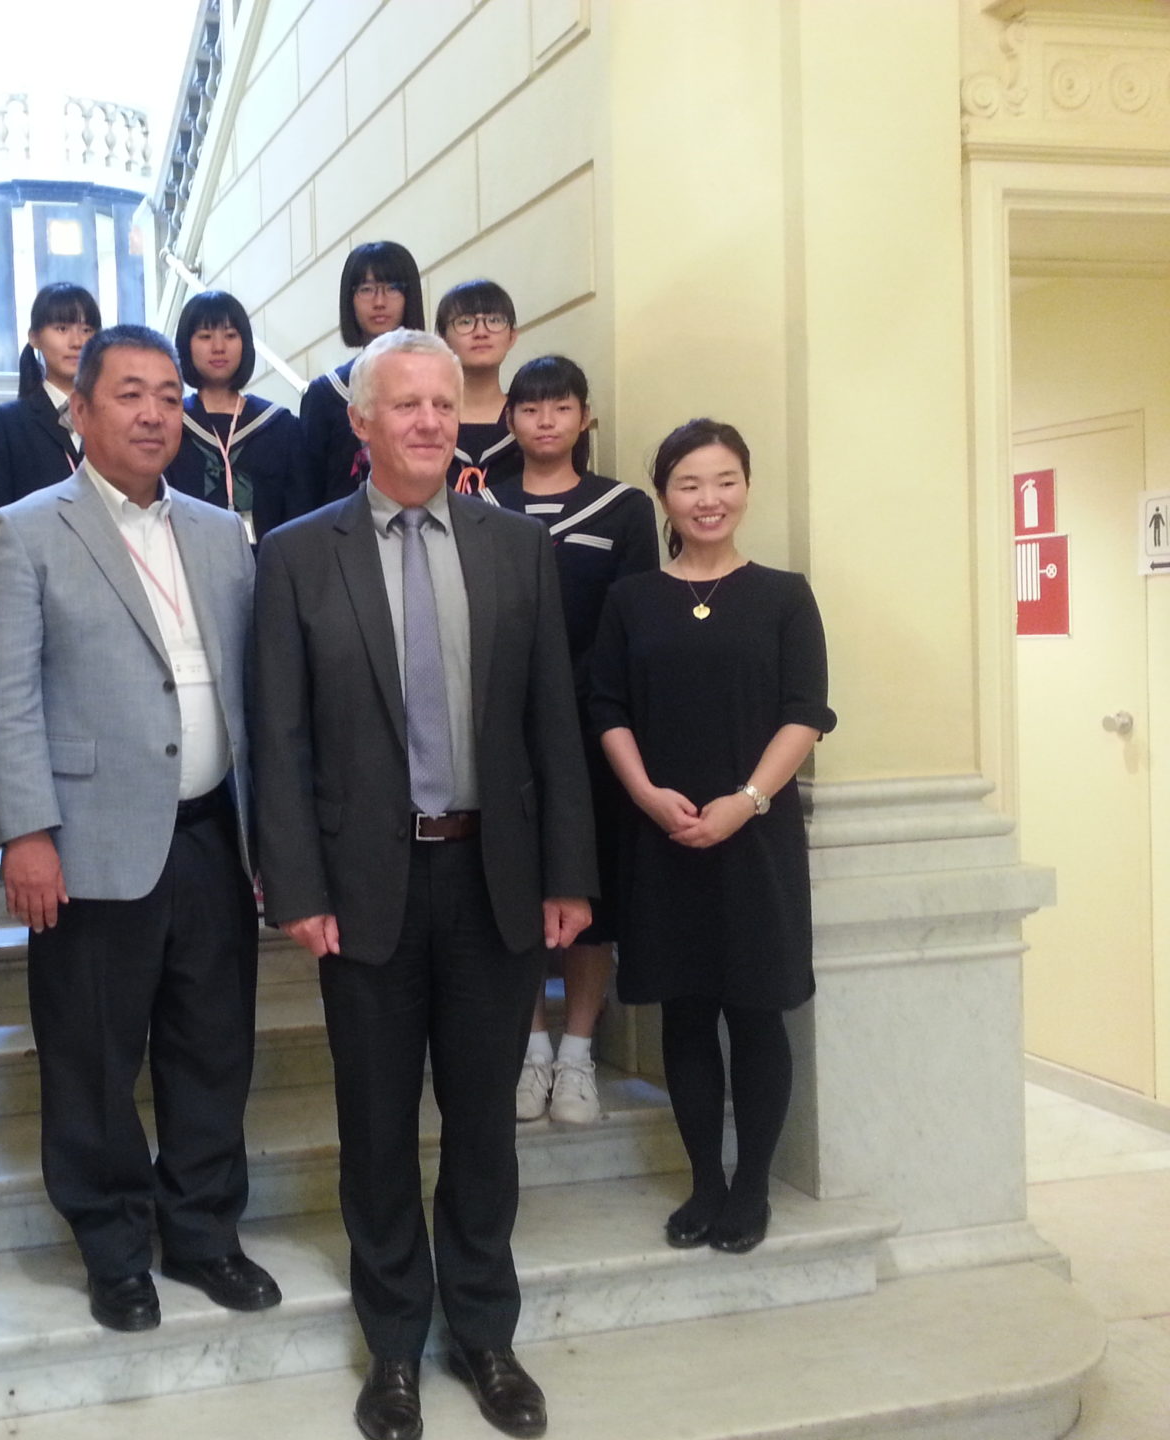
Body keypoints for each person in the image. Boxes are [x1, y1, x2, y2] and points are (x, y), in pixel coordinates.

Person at [253, 329, 596, 1440]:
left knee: (485, 1127)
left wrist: (568, 876)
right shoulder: (299, 554)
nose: (427, 422)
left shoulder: (513, 547)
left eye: (443, 404)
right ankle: (394, 1347)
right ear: (361, 422)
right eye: (403, 404)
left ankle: (486, 1335)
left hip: (495, 878)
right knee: (377, 1127)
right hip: (363, 889)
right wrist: (295, 885)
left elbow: (553, 722)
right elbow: (280, 736)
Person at [0, 324, 278, 1334]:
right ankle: (113, 1248)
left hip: (209, 835)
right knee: (94, 1057)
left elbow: (248, 686)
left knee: (213, 1049)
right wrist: (26, 833)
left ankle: (202, 1234)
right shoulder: (27, 530)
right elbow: (4, 696)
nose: (155, 413)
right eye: (131, 394)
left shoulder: (219, 527)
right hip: (89, 839)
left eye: (169, 396)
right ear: (83, 409)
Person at [588, 418, 835, 1255]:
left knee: (756, 1016)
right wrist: (649, 796)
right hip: (661, 837)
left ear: (747, 488)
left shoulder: (785, 594)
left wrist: (748, 800)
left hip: (755, 841)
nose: (709, 499)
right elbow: (606, 710)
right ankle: (705, 1182)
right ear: (664, 495)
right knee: (685, 1018)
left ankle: (752, 1187)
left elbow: (807, 713)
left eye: (725, 480)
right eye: (690, 483)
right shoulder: (633, 599)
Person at [498, 355, 659, 1126]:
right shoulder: (482, 505)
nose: (546, 421)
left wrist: (580, 701)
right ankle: (530, 1049)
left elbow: (633, 621)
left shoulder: (623, 508)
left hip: (598, 730)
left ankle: (578, 1054)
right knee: (515, 891)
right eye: (530, 409)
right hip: (503, 732)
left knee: (591, 896)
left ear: (585, 417)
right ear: (510, 420)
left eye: (561, 407)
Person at [166, 288, 310, 540]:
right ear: (186, 346)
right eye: (205, 336)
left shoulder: (280, 427)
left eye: (230, 335)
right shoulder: (171, 426)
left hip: (268, 570)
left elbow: (300, 514)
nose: (219, 347)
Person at [301, 241, 424, 507]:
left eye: (392, 288)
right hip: (342, 537)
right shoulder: (326, 394)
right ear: (350, 298)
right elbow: (310, 490)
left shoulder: (432, 380)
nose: (379, 302)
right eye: (366, 290)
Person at [0, 283, 100, 521]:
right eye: (62, 328)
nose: (77, 342)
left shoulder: (111, 417)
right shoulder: (5, 423)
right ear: (34, 337)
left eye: (86, 330)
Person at [434, 279, 524, 504]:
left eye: (494, 320)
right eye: (465, 322)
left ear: (512, 336)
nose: (481, 332)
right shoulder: (427, 419)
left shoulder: (531, 419)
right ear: (442, 339)